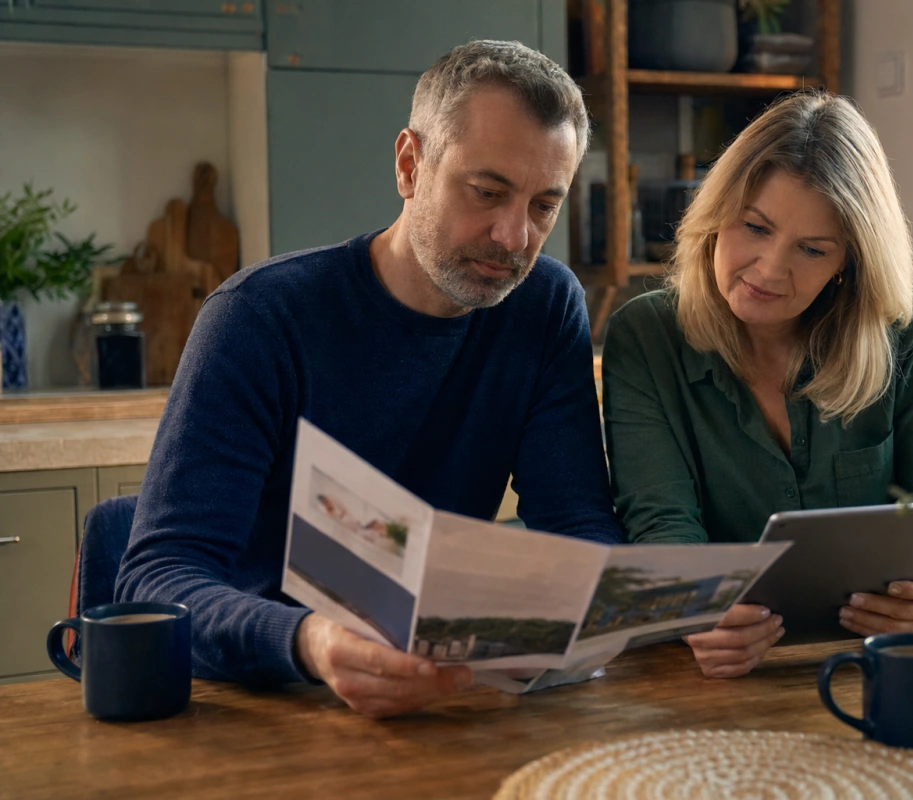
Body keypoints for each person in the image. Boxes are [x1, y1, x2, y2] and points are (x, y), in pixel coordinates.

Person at [115, 40, 623, 718]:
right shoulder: (259, 319)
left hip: (442, 699)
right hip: (263, 702)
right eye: (488, 193)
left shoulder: (543, 305)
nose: (514, 237)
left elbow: (578, 525)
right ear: (411, 165)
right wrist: (311, 642)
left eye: (543, 206)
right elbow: (157, 580)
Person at [601, 91, 913, 680]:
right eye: (755, 226)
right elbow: (659, 527)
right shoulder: (646, 337)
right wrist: (697, 609)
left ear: (848, 260)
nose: (770, 268)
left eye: (812, 249)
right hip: (718, 686)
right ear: (717, 213)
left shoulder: (901, 329)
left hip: (878, 676)